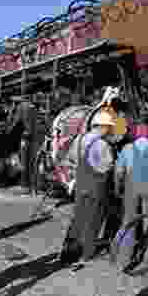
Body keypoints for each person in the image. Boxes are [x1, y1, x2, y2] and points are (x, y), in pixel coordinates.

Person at [59, 109, 117, 267]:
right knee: (93, 219)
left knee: (78, 217)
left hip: (81, 183)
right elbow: (107, 167)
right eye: (109, 127)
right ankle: (87, 253)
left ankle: (69, 250)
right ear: (103, 127)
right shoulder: (102, 144)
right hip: (95, 186)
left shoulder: (79, 139)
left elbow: (71, 159)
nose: (109, 130)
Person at [113, 117, 148, 266]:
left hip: (132, 188)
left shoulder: (127, 149)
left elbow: (118, 172)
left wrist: (117, 188)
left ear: (135, 134)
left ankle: (125, 258)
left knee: (129, 221)